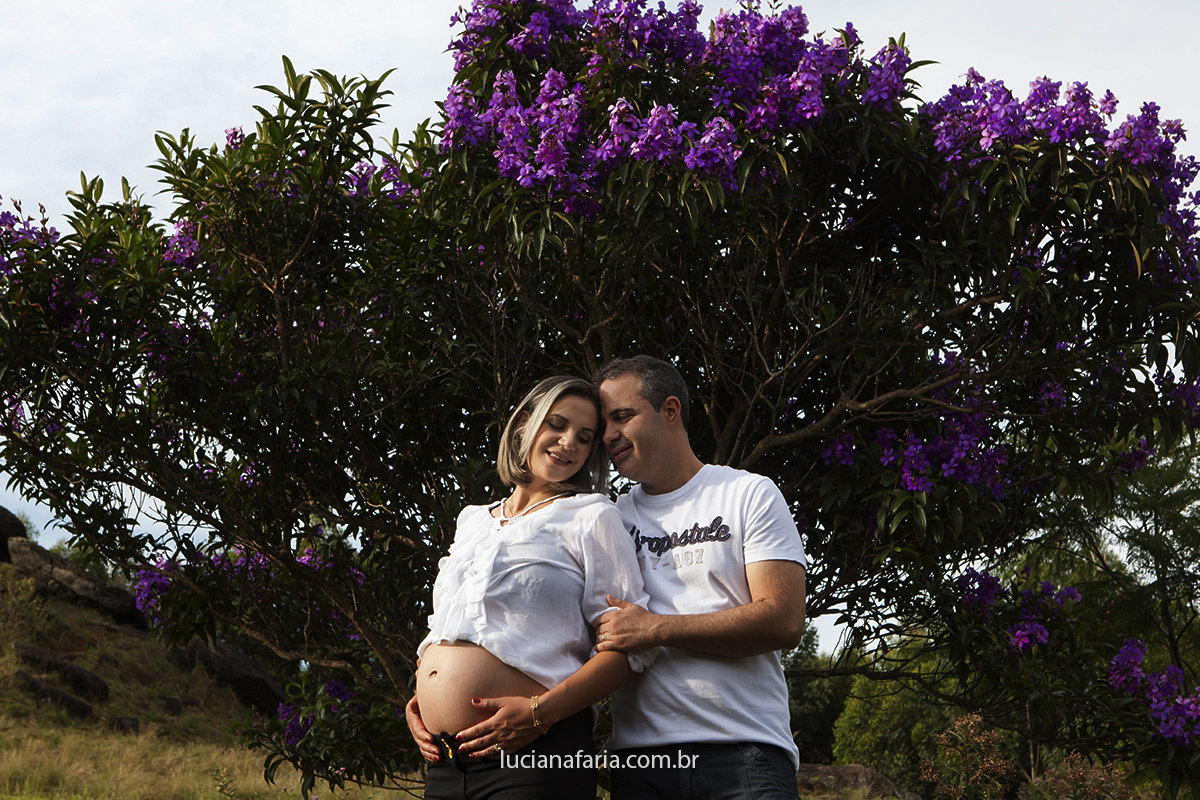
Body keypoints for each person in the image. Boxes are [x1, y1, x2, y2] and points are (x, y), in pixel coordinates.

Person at [407, 375, 654, 800]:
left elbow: (629, 649)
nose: (568, 442)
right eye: (556, 425)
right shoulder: (472, 519)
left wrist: (538, 716)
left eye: (584, 436)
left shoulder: (592, 516)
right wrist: (421, 698)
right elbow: (446, 629)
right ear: (524, 423)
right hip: (446, 762)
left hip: (537, 755)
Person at [592, 355, 807, 800]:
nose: (609, 435)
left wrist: (656, 630)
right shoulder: (608, 520)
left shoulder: (748, 493)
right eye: (604, 424)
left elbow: (785, 620)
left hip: (745, 754)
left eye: (623, 417)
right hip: (640, 762)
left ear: (670, 411)